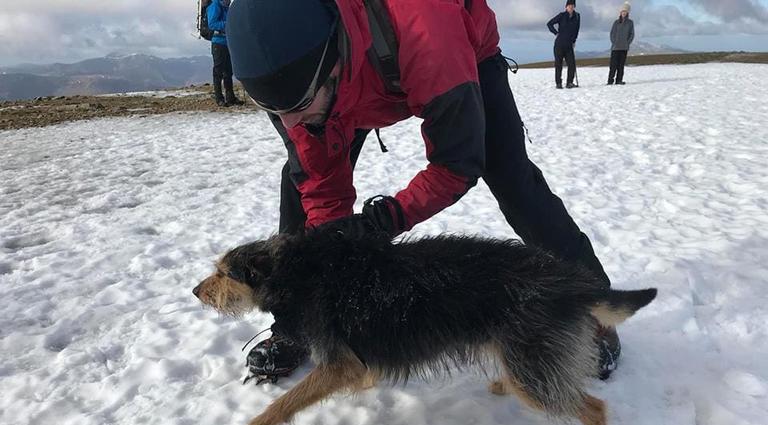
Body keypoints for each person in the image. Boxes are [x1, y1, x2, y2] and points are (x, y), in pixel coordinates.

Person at [225, 0, 621, 382]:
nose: (290, 121)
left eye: (298, 105)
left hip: (460, 54)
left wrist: (385, 220)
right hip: (348, 80)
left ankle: (593, 306)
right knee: (298, 189)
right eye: (274, 110)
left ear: (336, 56)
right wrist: (331, 252)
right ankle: (296, 324)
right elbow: (320, 183)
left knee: (511, 175)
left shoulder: (427, 29)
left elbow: (456, 163)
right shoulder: (292, 91)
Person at [206, 0, 244, 106]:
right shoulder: (215, 5)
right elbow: (212, 24)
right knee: (218, 71)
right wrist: (229, 24)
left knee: (228, 71)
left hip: (226, 42)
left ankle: (230, 98)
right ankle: (219, 99)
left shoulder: (225, 6)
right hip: (218, 43)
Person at [547, 0, 581, 89]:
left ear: (574, 7)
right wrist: (556, 33)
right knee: (558, 64)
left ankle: (569, 82)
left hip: (569, 45)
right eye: (569, 6)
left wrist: (574, 41)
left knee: (572, 64)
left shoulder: (577, 16)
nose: (571, 7)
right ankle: (558, 83)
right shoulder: (561, 15)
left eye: (572, 6)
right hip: (559, 44)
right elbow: (549, 24)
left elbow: (576, 30)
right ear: (566, 7)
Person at [608, 3, 635, 85]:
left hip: (624, 47)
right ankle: (610, 81)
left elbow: (632, 34)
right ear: (620, 12)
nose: (624, 13)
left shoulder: (630, 23)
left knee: (621, 65)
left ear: (627, 13)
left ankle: (619, 80)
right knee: (613, 66)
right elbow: (612, 33)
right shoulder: (616, 22)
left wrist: (627, 43)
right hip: (615, 47)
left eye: (625, 11)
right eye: (623, 11)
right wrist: (614, 42)